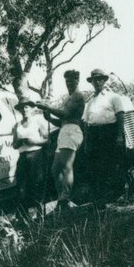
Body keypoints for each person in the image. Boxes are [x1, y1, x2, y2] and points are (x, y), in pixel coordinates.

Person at [29, 69, 86, 209]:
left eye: (71, 81)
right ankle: (62, 197)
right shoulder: (69, 97)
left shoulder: (78, 95)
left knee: (66, 166)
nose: (69, 84)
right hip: (64, 130)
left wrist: (47, 106)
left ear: (77, 81)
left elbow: (66, 113)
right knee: (55, 169)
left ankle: (65, 198)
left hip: (72, 131)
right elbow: (62, 120)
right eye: (67, 81)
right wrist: (49, 117)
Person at [83, 68, 128, 206]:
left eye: (99, 79)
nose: (97, 82)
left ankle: (120, 195)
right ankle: (102, 199)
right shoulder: (89, 102)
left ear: (104, 80)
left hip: (111, 132)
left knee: (115, 162)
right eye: (94, 80)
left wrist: (120, 136)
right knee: (98, 167)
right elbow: (86, 122)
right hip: (95, 135)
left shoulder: (113, 97)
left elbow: (120, 116)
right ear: (91, 82)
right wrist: (86, 142)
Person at [12, 102, 51, 216]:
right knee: (22, 187)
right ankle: (24, 216)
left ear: (31, 108)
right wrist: (18, 142)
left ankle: (40, 214)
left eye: (26, 107)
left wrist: (34, 142)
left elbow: (48, 140)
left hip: (36, 155)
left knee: (36, 184)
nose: (24, 110)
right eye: (21, 108)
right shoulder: (17, 125)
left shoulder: (37, 121)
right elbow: (14, 145)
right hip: (23, 156)